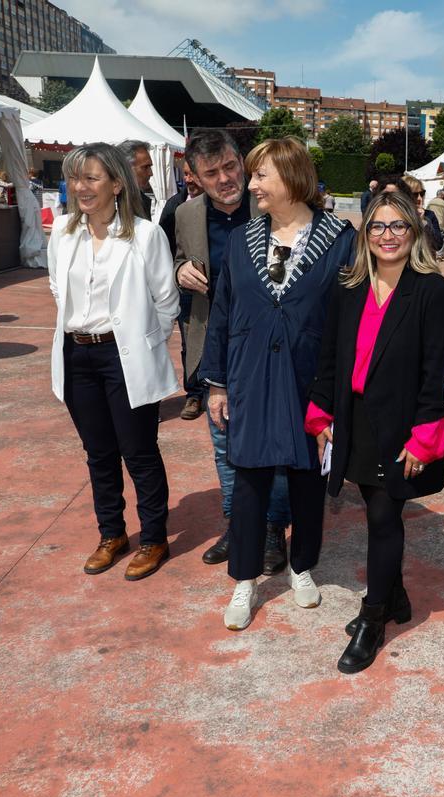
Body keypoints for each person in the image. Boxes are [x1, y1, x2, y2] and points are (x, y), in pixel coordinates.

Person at [199, 136, 356, 631]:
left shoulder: (339, 238)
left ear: (292, 177)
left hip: (311, 374)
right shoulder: (244, 239)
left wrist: (340, 390)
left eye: (261, 174)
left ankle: (301, 565)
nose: (252, 184)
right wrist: (218, 382)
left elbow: (350, 316)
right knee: (249, 478)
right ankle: (245, 580)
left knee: (308, 476)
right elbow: (223, 310)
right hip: (249, 375)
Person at [305, 189, 444, 673]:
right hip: (355, 419)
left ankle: (373, 616)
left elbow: (437, 370)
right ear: (365, 233)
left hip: (403, 425)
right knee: (374, 506)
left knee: (383, 516)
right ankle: (396, 594)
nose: (387, 236)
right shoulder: (347, 288)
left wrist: (427, 434)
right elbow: (329, 358)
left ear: (415, 233)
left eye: (398, 226)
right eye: (377, 227)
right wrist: (322, 414)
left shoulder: (432, 291)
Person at [45, 142, 180, 581]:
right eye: (74, 178)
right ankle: (112, 534)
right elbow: (55, 287)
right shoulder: (63, 232)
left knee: (138, 452)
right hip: (76, 353)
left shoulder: (144, 235)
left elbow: (166, 301)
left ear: (117, 184)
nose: (80, 187)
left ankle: (154, 537)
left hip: (123, 356)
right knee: (98, 452)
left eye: (91, 178)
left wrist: (140, 343)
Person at [173, 129, 292, 573]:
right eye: (212, 173)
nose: (225, 178)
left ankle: (272, 530)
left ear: (241, 161)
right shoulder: (185, 215)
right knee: (225, 446)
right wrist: (180, 268)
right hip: (216, 348)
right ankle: (239, 524)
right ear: (195, 178)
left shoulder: (269, 203)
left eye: (230, 166)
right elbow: (178, 258)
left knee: (274, 445)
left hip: (270, 347)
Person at [159, 160, 200, 259]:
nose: (188, 179)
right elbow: (164, 243)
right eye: (186, 174)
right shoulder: (173, 205)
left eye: (193, 174)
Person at [400, 173, 443, 252]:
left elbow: (438, 245)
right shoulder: (396, 215)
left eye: (422, 193)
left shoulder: (429, 215)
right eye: (415, 194)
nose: (420, 198)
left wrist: (423, 222)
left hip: (425, 263)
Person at [118, 140, 154, 220]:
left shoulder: (143, 200)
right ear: (125, 168)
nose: (150, 173)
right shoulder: (108, 202)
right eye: (145, 167)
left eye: (150, 167)